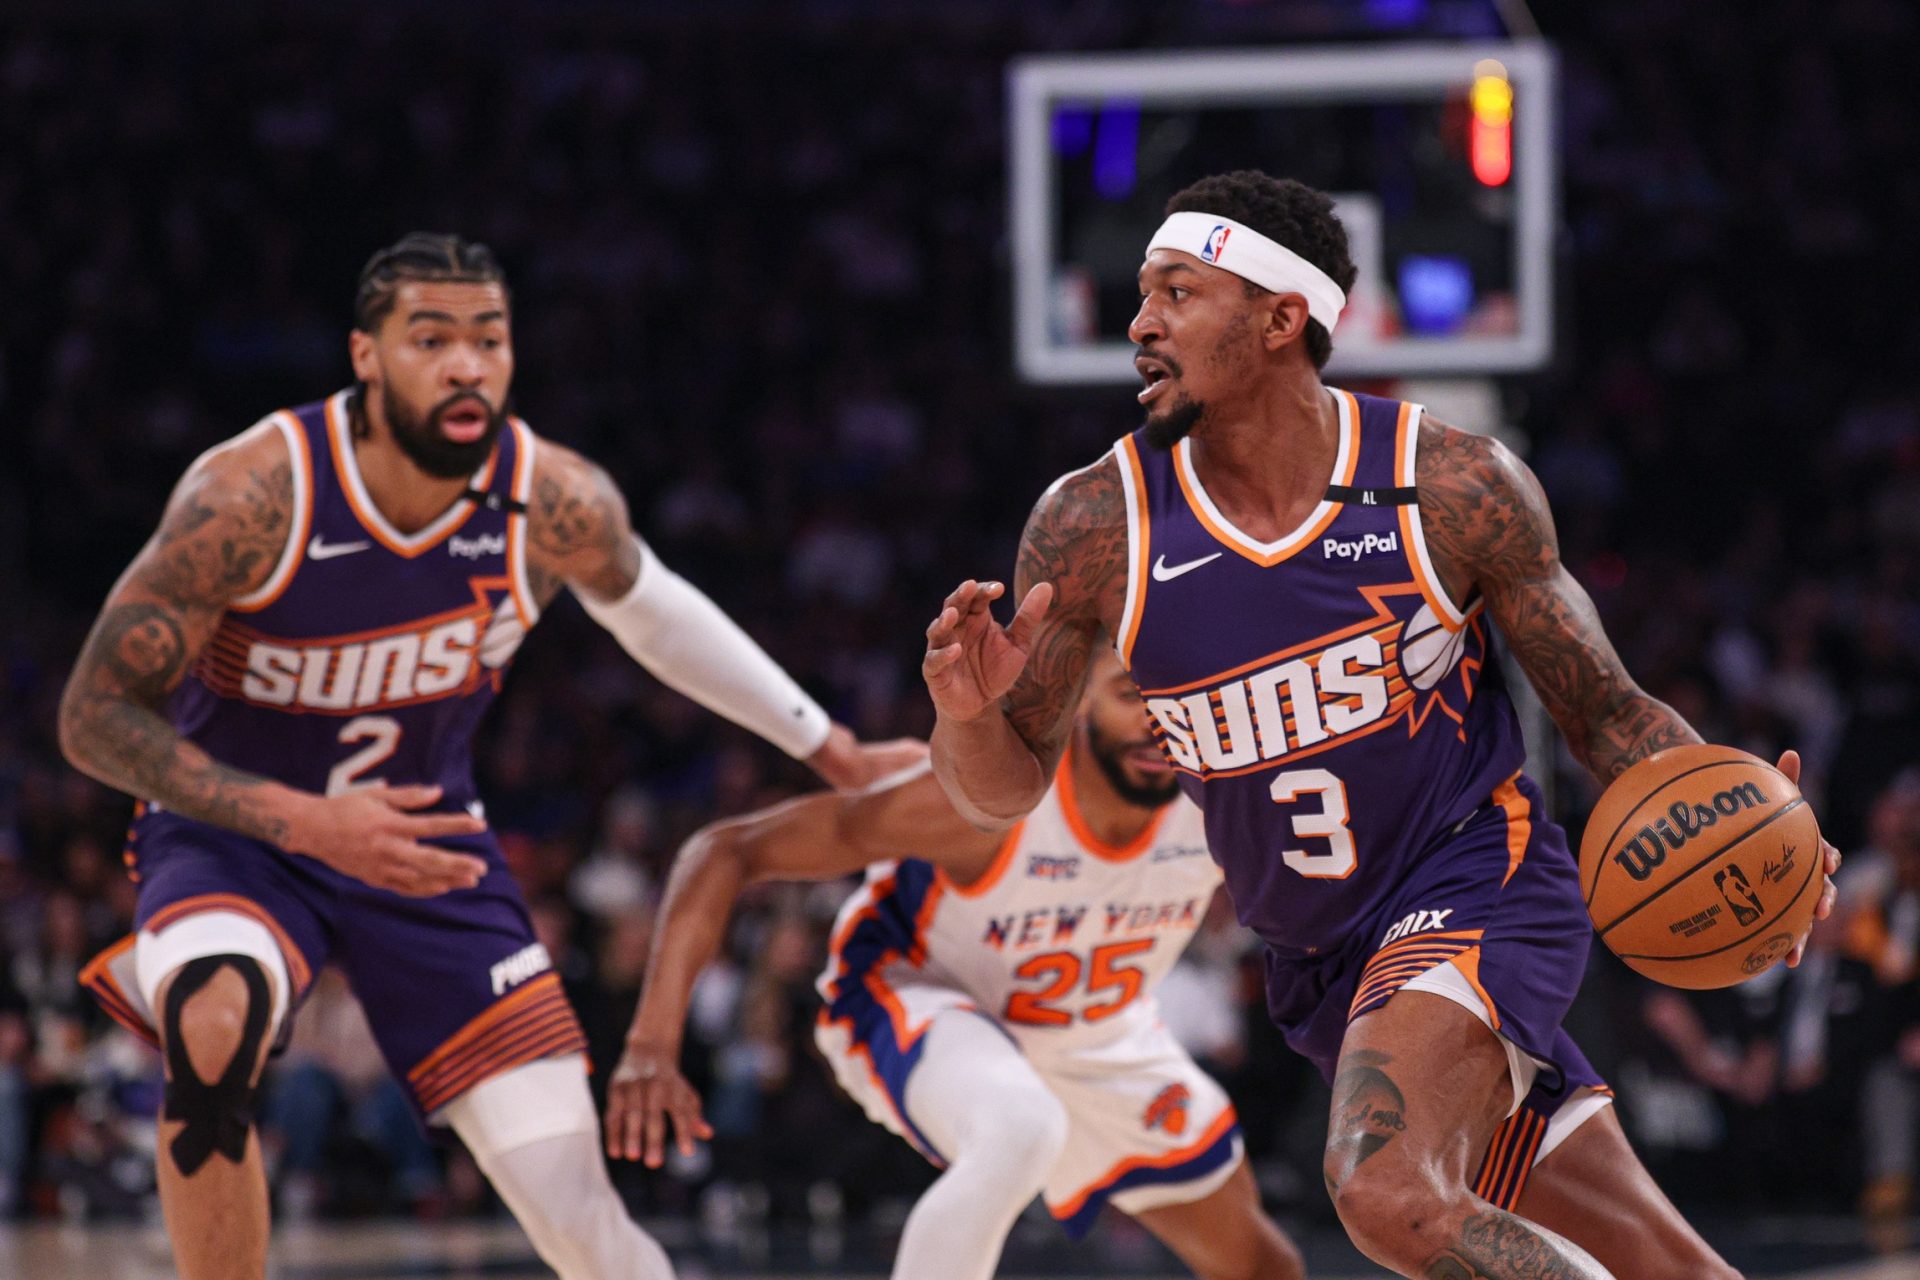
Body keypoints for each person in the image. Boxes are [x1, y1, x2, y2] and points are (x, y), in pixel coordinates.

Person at [920, 171, 1841, 1280]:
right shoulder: (1092, 527)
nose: (1140, 323)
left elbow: (1605, 711)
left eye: (1177, 291)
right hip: (1319, 963)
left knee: (1387, 1193)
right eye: (1142, 294)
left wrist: (1745, 817)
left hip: (1478, 886)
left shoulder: (1447, 487)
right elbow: (1000, 789)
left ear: (1280, 317)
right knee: (1662, 1262)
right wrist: (966, 714)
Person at [58, 233, 911, 1280]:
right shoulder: (251, 495)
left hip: (425, 843)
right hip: (239, 836)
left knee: (578, 1210)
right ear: (366, 356)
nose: (468, 364)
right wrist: (305, 819)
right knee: (213, 1025)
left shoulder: (550, 499)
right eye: (432, 339)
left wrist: (829, 744)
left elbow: (651, 611)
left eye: (490, 338)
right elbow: (94, 715)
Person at [605, 650, 1305, 1280]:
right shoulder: (987, 804)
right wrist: (651, 1043)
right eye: (1131, 693)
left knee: (1261, 1262)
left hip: (1094, 1030)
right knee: (1019, 1125)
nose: (1160, 722)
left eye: (1177, 697)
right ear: (1080, 701)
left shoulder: (1233, 803)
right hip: (914, 991)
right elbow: (728, 850)